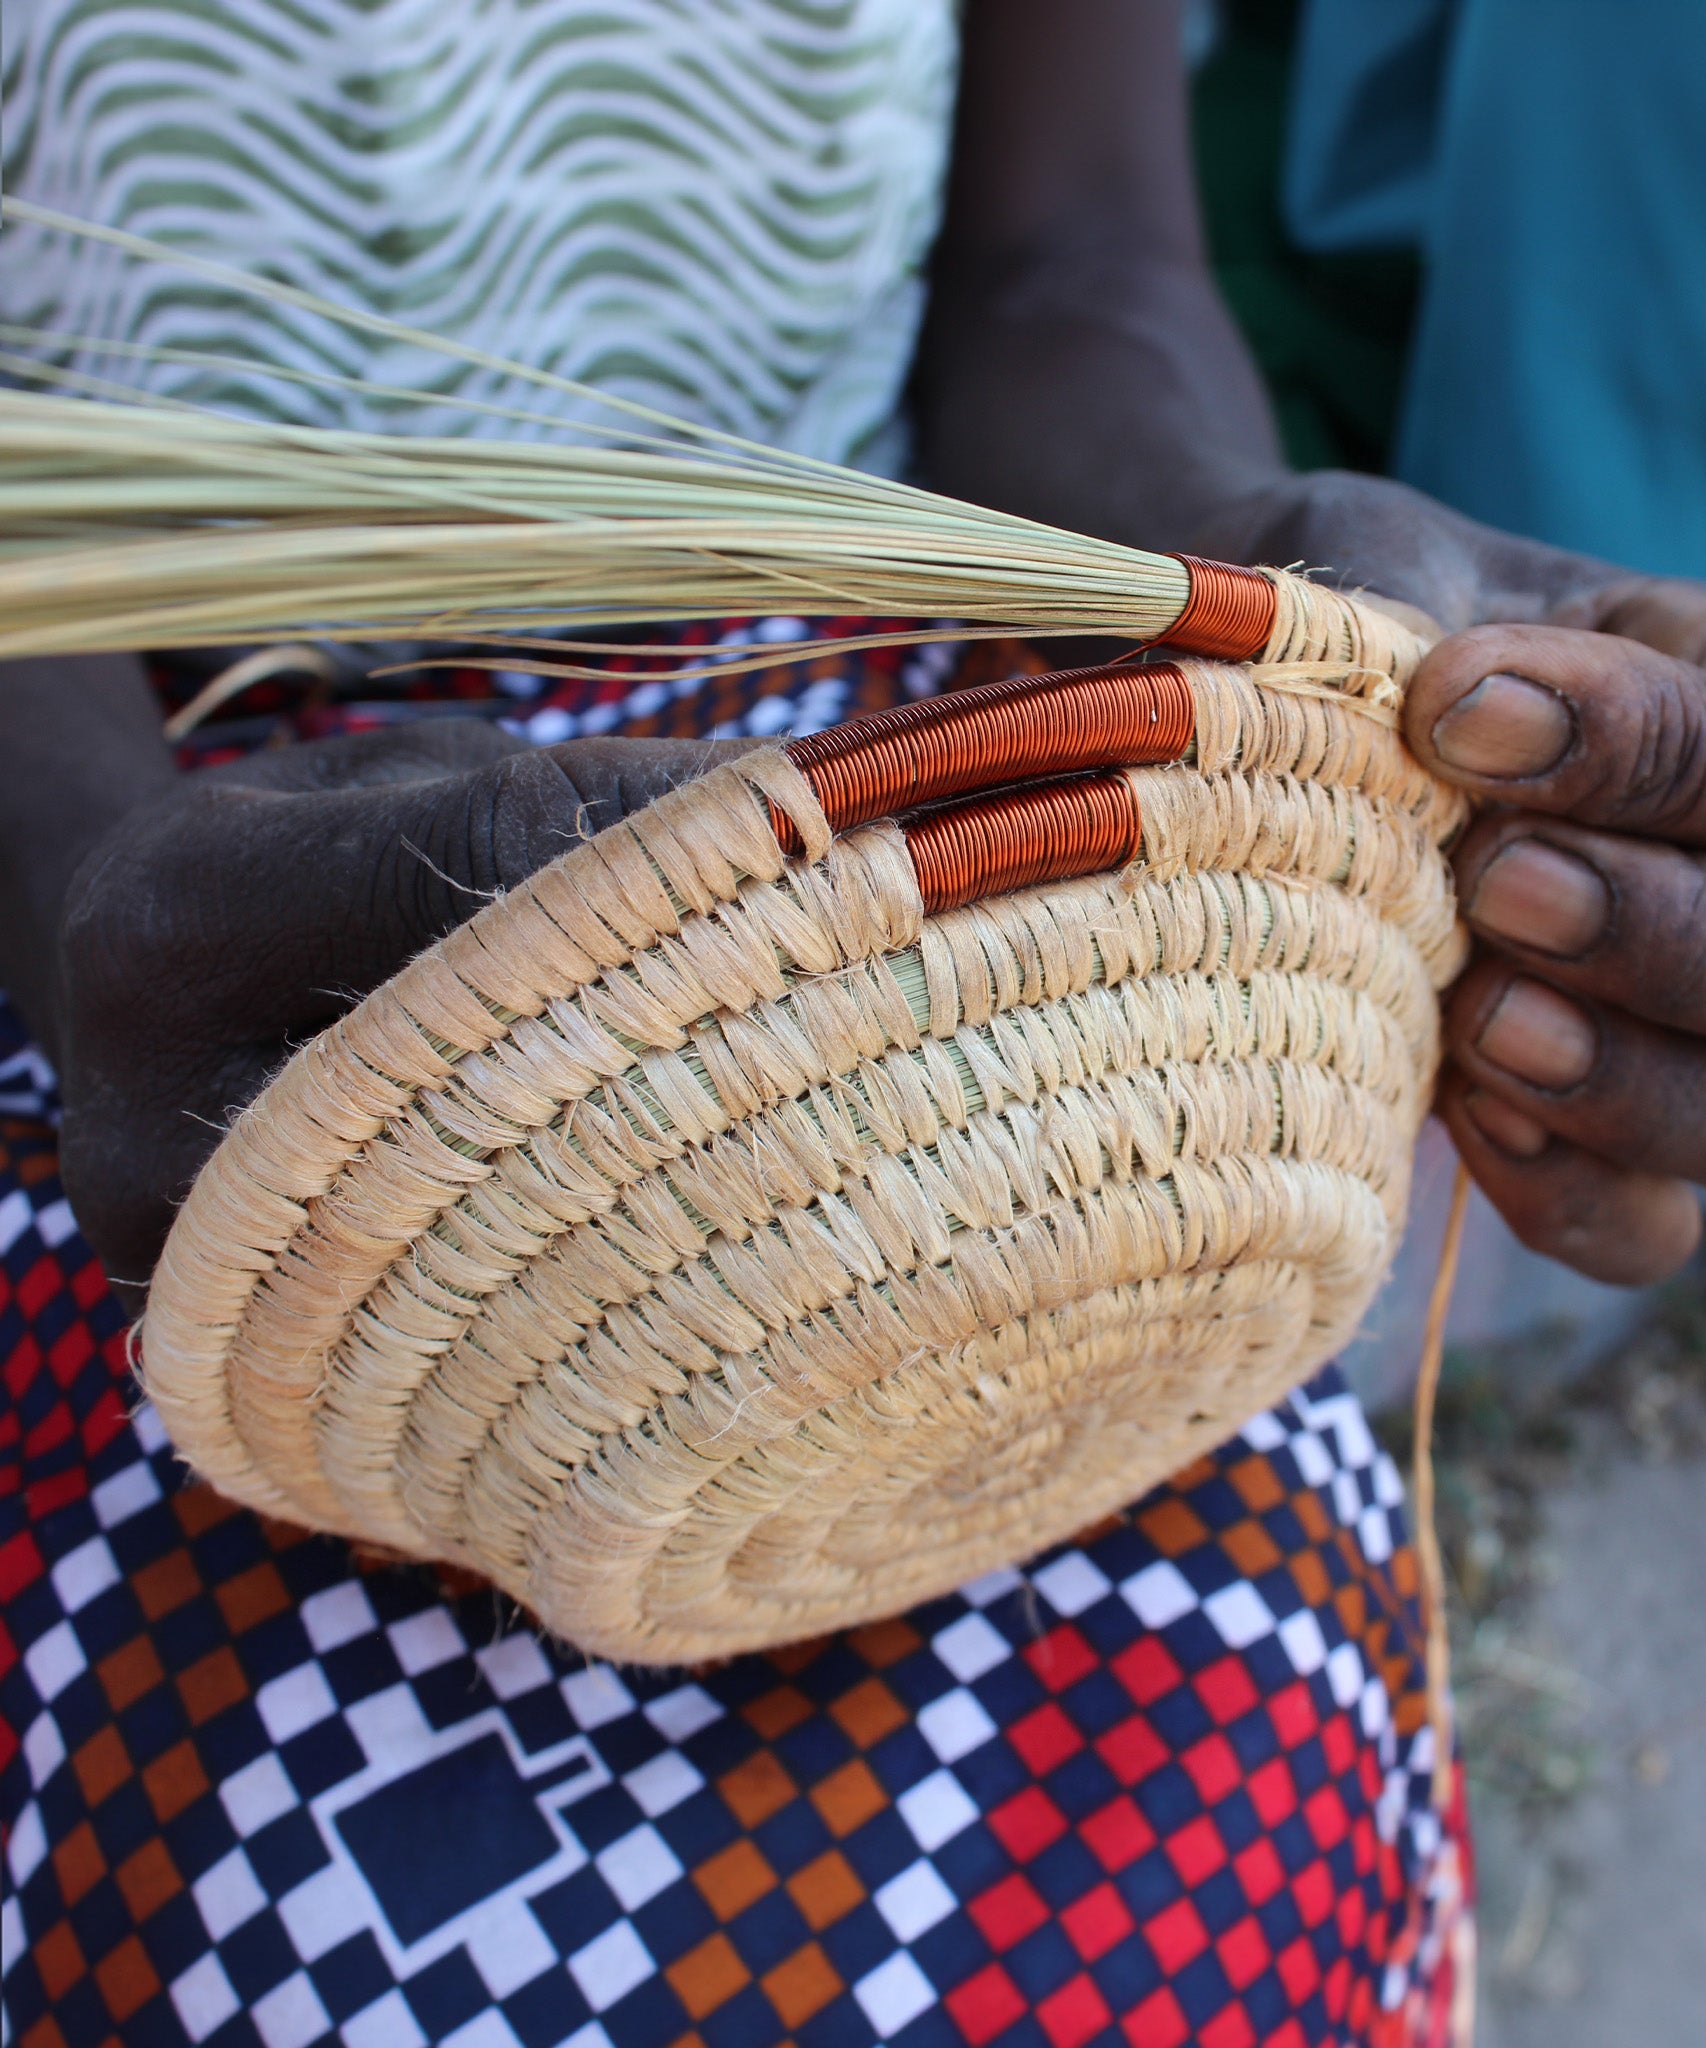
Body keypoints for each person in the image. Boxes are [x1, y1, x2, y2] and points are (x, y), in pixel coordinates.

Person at [3, 6, 1704, 2045]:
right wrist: (90, 876)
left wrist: (1244, 583)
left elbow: (1063, 258)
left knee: (1204, 1824)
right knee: (295, 1949)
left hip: (904, 741)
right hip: (170, 841)